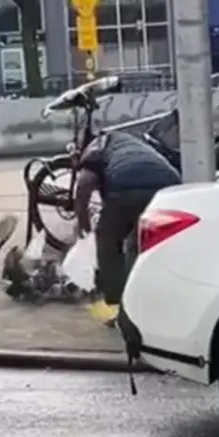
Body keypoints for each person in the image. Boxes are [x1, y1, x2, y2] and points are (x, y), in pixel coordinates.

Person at [71, 130, 181, 317]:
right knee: (148, 244)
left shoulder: (95, 148)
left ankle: (116, 302)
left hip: (128, 187)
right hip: (169, 186)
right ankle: (160, 295)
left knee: (108, 240)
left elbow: (83, 186)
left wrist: (82, 222)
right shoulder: (129, 142)